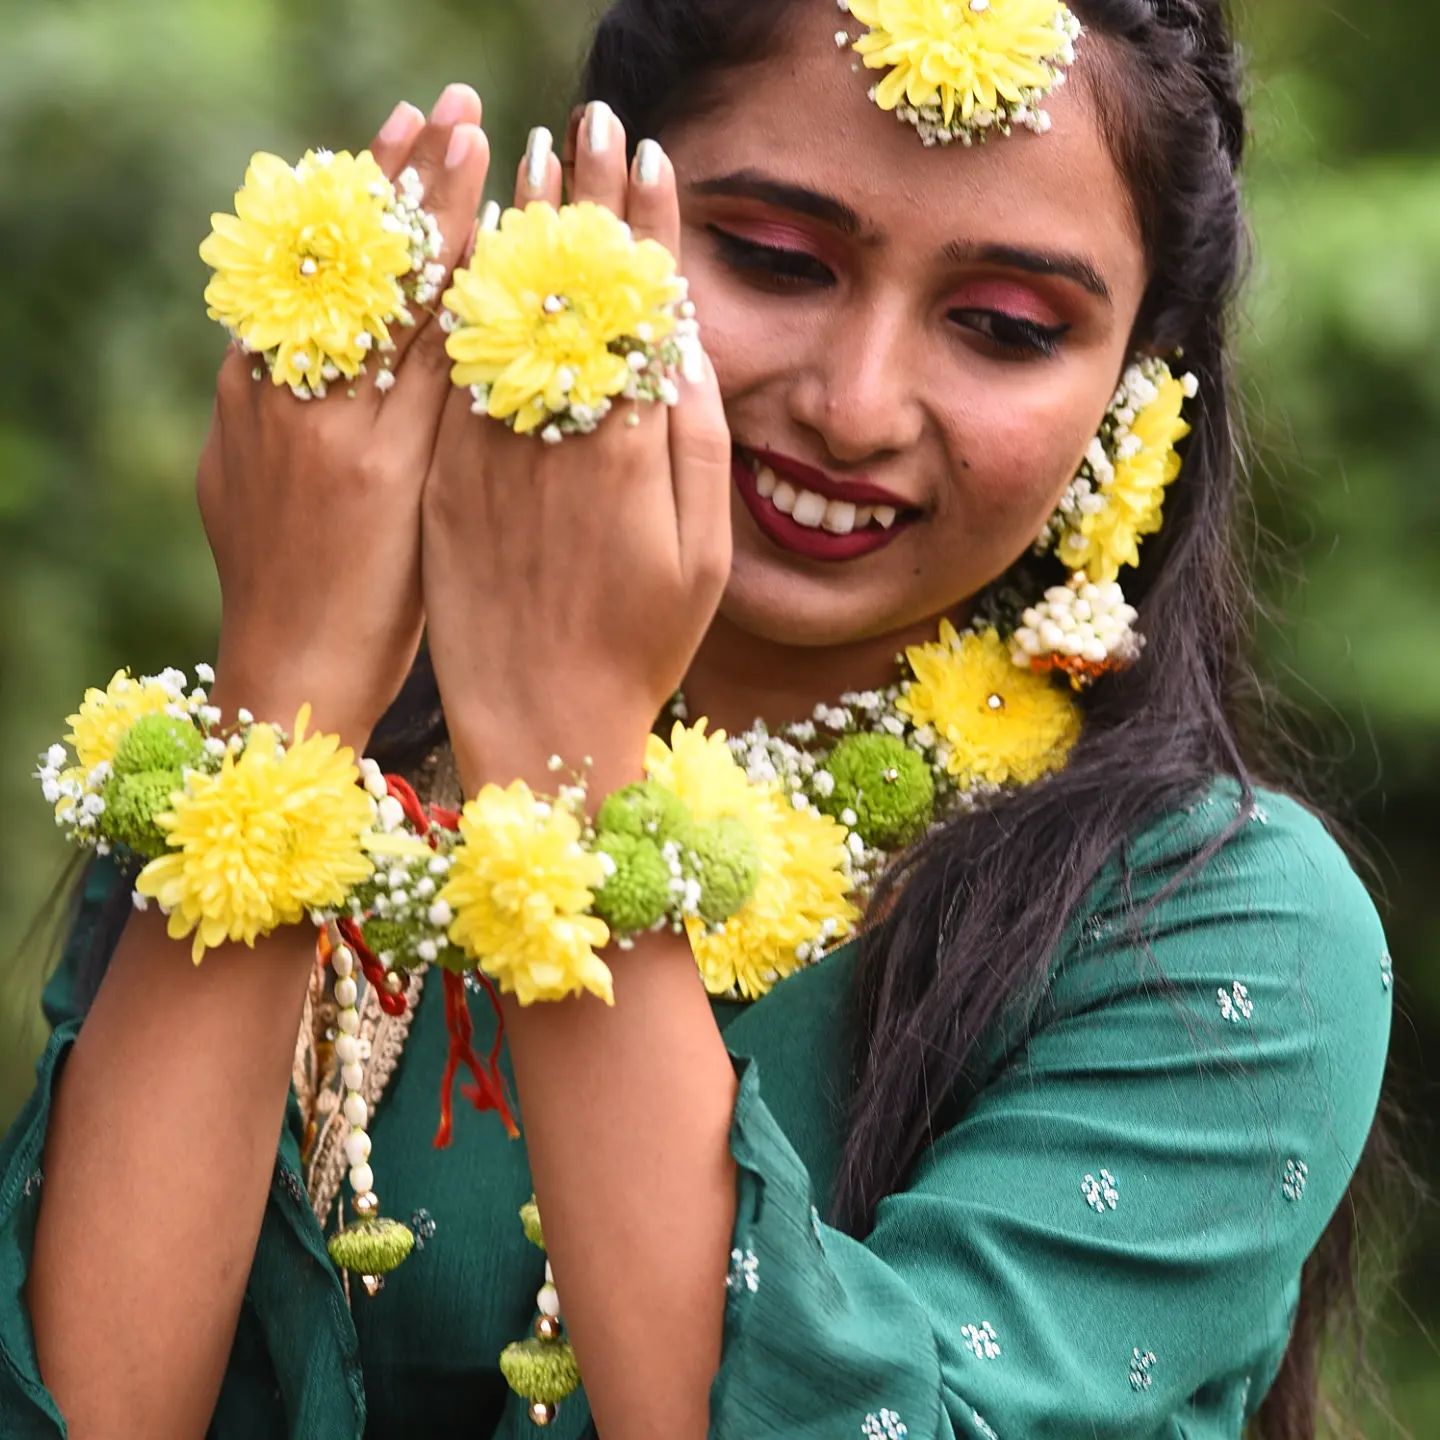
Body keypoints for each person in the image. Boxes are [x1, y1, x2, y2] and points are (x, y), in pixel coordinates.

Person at [0, 0, 1394, 1436]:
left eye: (1002, 327)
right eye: (776, 260)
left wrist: (565, 766)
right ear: (576, 231)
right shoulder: (327, 791)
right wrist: (285, 689)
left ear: (1132, 394)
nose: (856, 407)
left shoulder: (1205, 930)